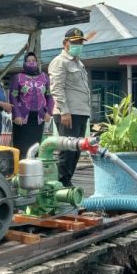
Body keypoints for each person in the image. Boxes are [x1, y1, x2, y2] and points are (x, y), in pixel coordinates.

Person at [49, 27, 91, 186]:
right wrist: (64, 111)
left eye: (80, 42)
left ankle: (67, 181)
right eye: (74, 42)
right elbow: (56, 88)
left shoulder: (79, 63)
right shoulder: (59, 61)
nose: (78, 45)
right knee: (67, 150)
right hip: (68, 113)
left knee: (76, 150)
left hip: (80, 112)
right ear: (65, 43)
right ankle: (60, 183)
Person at [10, 52, 53, 156]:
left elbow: (49, 95)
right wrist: (16, 114)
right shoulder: (18, 77)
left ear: (37, 63)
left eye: (33, 61)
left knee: (35, 145)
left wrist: (49, 112)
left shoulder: (44, 77)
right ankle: (21, 165)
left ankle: (34, 164)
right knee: (21, 146)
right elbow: (13, 96)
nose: (31, 63)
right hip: (22, 118)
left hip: (39, 117)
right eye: (28, 61)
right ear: (24, 63)